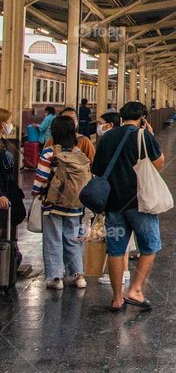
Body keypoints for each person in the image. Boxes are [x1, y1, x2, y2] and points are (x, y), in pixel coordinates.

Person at [92, 101, 165, 311]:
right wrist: (151, 136)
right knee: (149, 247)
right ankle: (136, 289)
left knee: (115, 250)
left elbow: (97, 168)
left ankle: (117, 299)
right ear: (143, 118)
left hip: (113, 204)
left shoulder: (107, 137)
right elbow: (158, 164)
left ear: (122, 117)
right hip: (141, 203)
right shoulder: (143, 136)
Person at [32, 115, 90, 290]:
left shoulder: (49, 153)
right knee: (73, 239)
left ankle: (55, 278)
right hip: (75, 205)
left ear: (54, 132)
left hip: (53, 205)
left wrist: (36, 193)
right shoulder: (79, 154)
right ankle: (78, 276)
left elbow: (41, 179)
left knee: (53, 240)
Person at [93, 110, 131, 286]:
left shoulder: (107, 140)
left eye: (100, 123)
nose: (98, 126)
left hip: (112, 196)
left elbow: (97, 169)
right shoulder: (132, 137)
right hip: (130, 196)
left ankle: (116, 274)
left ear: (110, 124)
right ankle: (125, 270)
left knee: (115, 236)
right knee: (124, 234)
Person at [0, 108, 28, 278]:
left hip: (8, 194)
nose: (11, 125)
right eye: (9, 122)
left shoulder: (3, 144)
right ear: (2, 124)